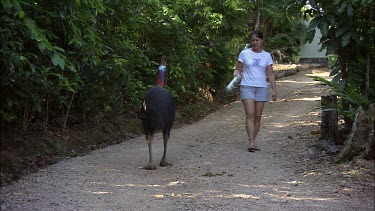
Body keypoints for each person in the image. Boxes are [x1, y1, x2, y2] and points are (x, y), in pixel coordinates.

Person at [234, 30, 277, 152]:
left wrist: (274, 89)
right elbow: (238, 69)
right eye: (252, 40)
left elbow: (270, 74)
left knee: (258, 116)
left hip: (261, 87)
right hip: (247, 86)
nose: (254, 42)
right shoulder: (244, 53)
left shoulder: (267, 56)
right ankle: (251, 142)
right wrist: (235, 77)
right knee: (250, 114)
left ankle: (253, 138)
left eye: (257, 40)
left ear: (262, 41)